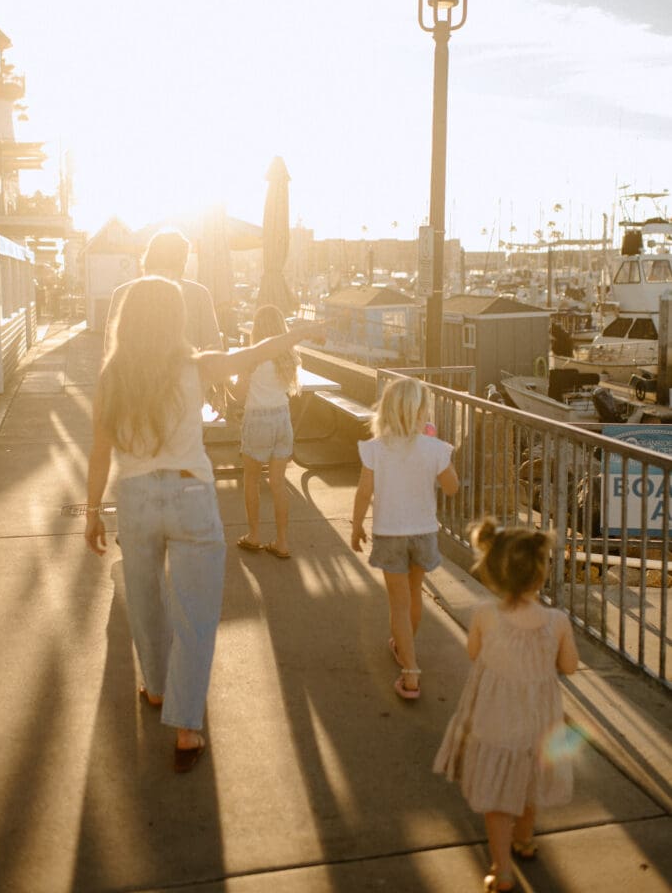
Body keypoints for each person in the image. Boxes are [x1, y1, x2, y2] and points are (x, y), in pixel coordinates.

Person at [84, 276, 325, 773]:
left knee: (146, 600)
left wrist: (91, 512)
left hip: (135, 498)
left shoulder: (112, 376)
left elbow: (100, 453)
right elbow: (256, 352)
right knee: (195, 613)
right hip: (191, 494)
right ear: (176, 319)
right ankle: (188, 726)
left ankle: (155, 687)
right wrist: (302, 332)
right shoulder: (196, 367)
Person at [432, 518, 579, 892]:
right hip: (538, 717)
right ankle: (525, 841)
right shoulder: (557, 621)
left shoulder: (484, 615)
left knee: (498, 795)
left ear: (494, 570)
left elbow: (473, 652)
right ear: (541, 573)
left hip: (494, 716)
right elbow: (569, 666)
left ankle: (502, 870)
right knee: (528, 781)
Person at [351, 377, 459, 699]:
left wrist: (356, 525)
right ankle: (404, 647)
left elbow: (363, 492)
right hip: (423, 532)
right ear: (421, 412)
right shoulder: (434, 448)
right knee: (414, 595)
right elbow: (452, 487)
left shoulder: (375, 449)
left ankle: (410, 671)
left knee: (398, 604)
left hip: (390, 533)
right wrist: (437, 457)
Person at [234, 305, 300, 559]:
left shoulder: (253, 357)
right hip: (282, 418)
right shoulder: (288, 357)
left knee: (251, 479)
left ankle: (254, 535)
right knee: (278, 482)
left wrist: (228, 386)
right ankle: (282, 542)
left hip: (258, 419)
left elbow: (240, 396)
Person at [105, 228, 223, 353]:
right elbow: (213, 348)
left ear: (148, 258)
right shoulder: (199, 294)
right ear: (182, 261)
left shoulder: (122, 293)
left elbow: (111, 351)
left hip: (135, 372)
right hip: (184, 371)